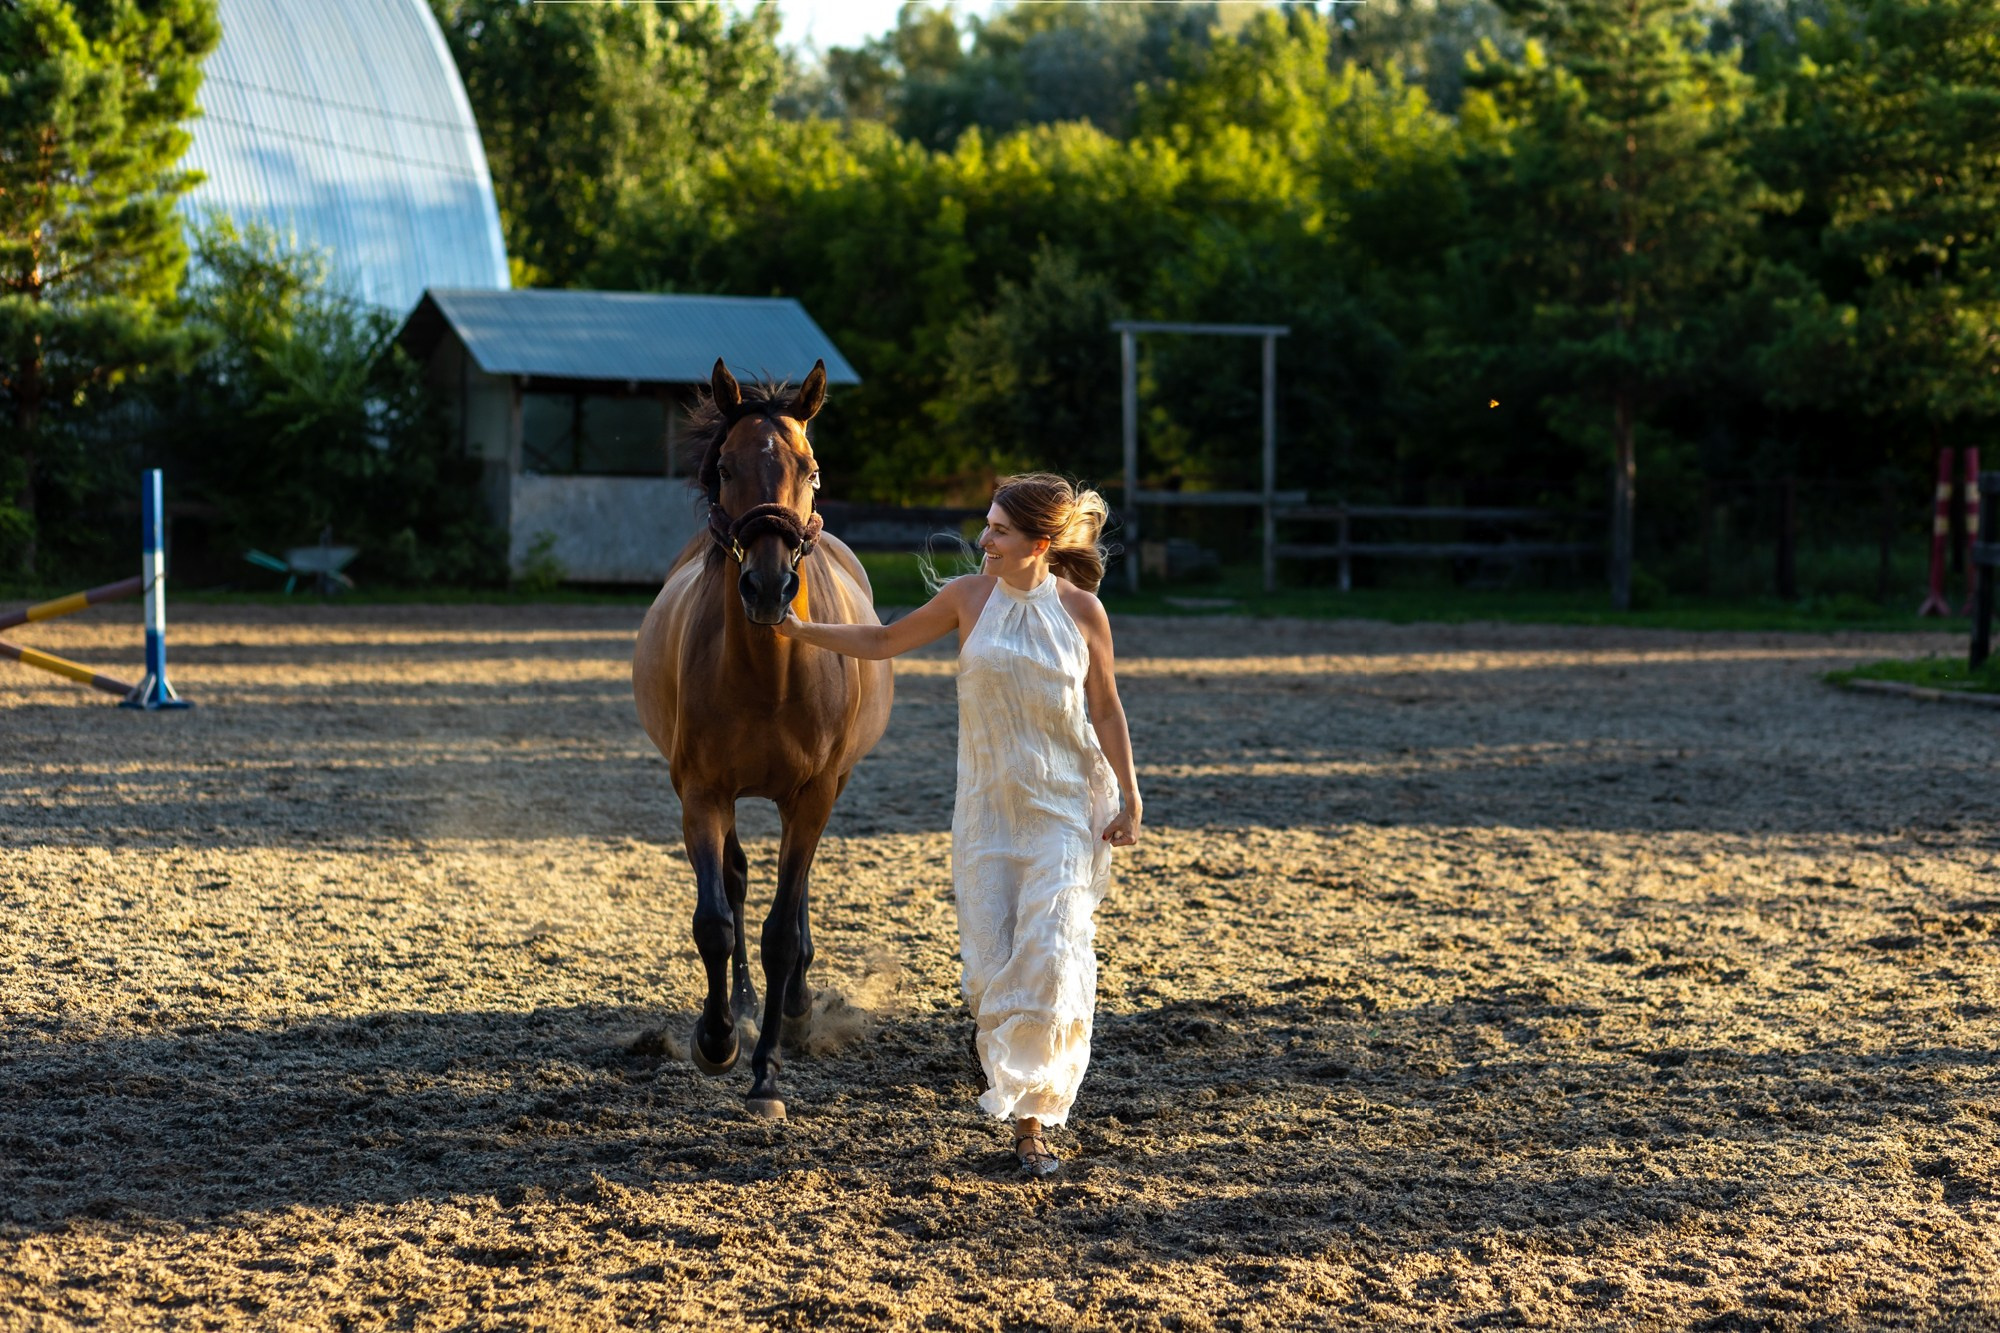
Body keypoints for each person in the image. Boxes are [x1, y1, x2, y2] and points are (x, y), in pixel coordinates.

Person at [773, 472, 1141, 1176]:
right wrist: (798, 628)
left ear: (1039, 543)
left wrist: (1130, 793)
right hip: (988, 815)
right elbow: (883, 639)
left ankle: (1031, 1126)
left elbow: (1106, 706)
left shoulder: (1083, 611)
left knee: (1050, 955)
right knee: (994, 969)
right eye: (987, 525)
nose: (984, 540)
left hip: (1065, 811)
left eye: (999, 530)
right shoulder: (968, 598)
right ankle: (1010, 1071)